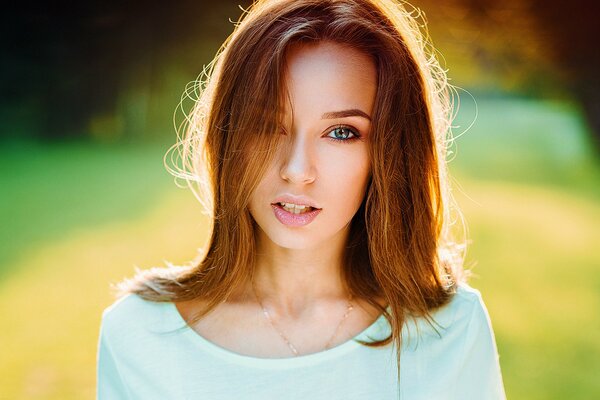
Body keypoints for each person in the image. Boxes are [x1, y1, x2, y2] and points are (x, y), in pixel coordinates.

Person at [96, 0, 506, 398]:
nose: (296, 169)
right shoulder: (139, 336)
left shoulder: (450, 329)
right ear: (227, 136)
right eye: (267, 125)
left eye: (341, 132)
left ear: (390, 153)